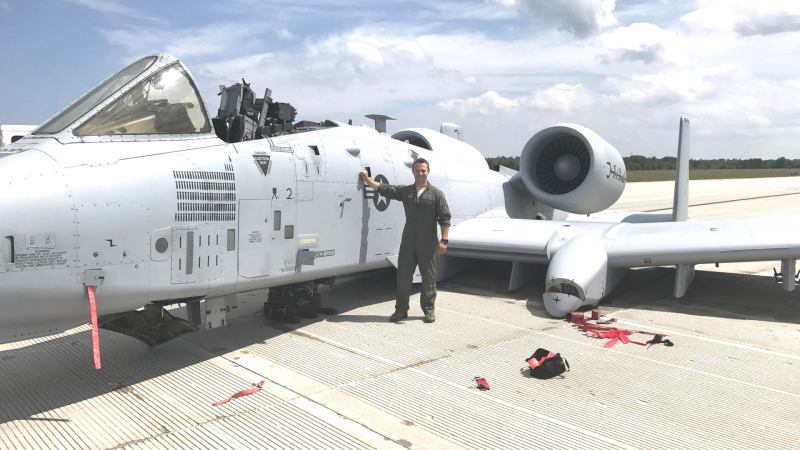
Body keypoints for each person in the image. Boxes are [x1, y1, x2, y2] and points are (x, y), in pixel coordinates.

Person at [360, 158, 451, 323]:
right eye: (417, 170)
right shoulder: (407, 191)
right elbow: (386, 189)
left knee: (428, 278)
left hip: (428, 243)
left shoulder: (436, 194)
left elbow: (445, 218)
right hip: (408, 241)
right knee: (403, 277)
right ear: (413, 172)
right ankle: (401, 310)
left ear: (428, 172)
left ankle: (429, 310)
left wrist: (444, 240)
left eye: (423, 170)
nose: (420, 173)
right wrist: (367, 181)